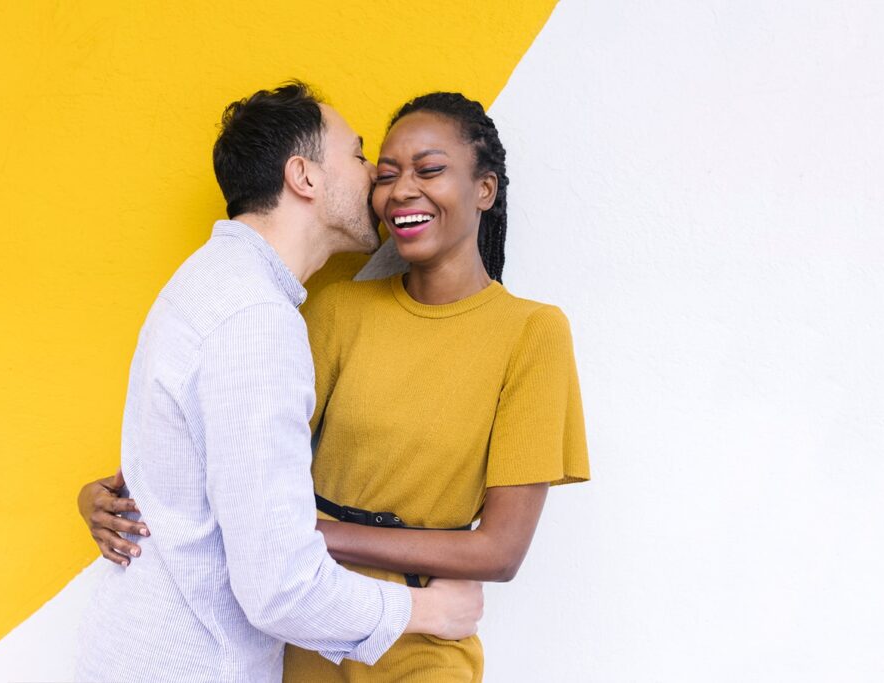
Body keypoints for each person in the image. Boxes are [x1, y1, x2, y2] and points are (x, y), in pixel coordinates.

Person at [81, 92, 590, 681]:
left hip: (421, 639)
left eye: (427, 170)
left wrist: (316, 536)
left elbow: (500, 551)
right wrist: (112, 497)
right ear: (302, 177)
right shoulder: (313, 312)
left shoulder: (532, 332)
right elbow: (237, 483)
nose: (391, 185)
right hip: (307, 635)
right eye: (376, 165)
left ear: (485, 189)